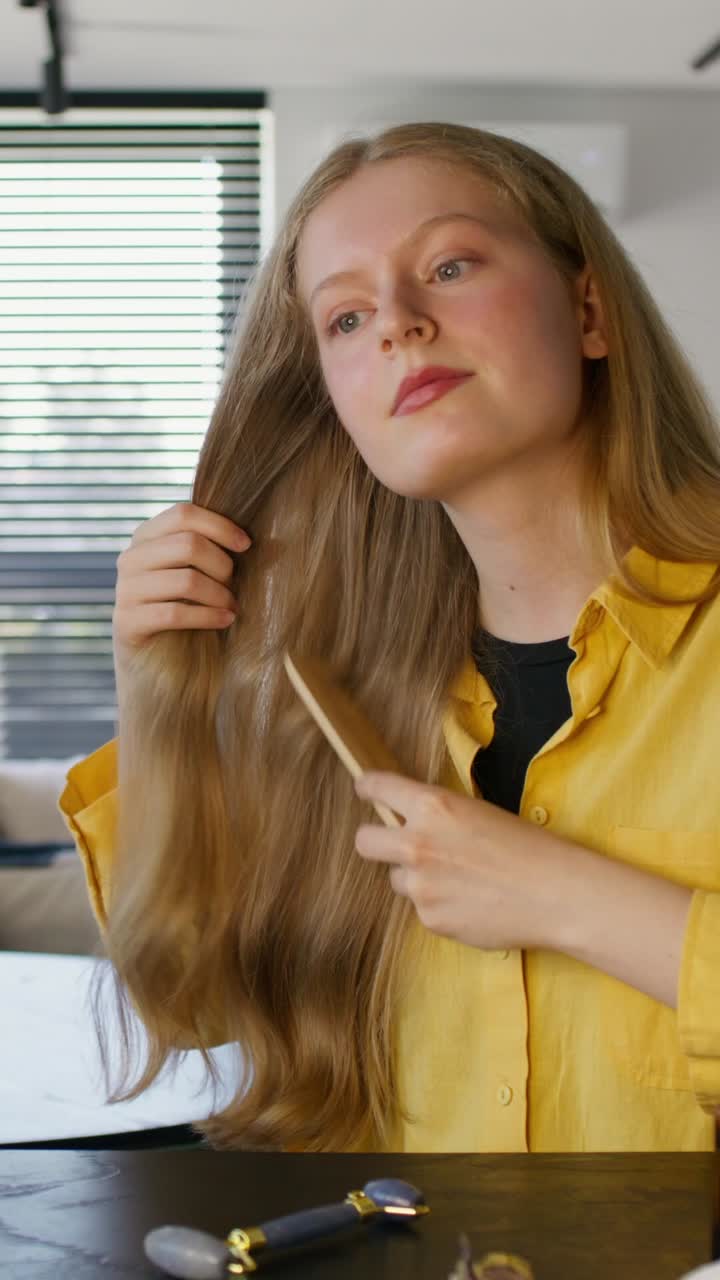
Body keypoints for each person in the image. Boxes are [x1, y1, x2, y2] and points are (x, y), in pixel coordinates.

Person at [59, 122, 720, 1154]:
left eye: (450, 266)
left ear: (589, 311)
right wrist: (158, 695)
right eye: (347, 316)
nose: (399, 325)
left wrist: (570, 898)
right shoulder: (334, 708)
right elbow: (191, 1001)